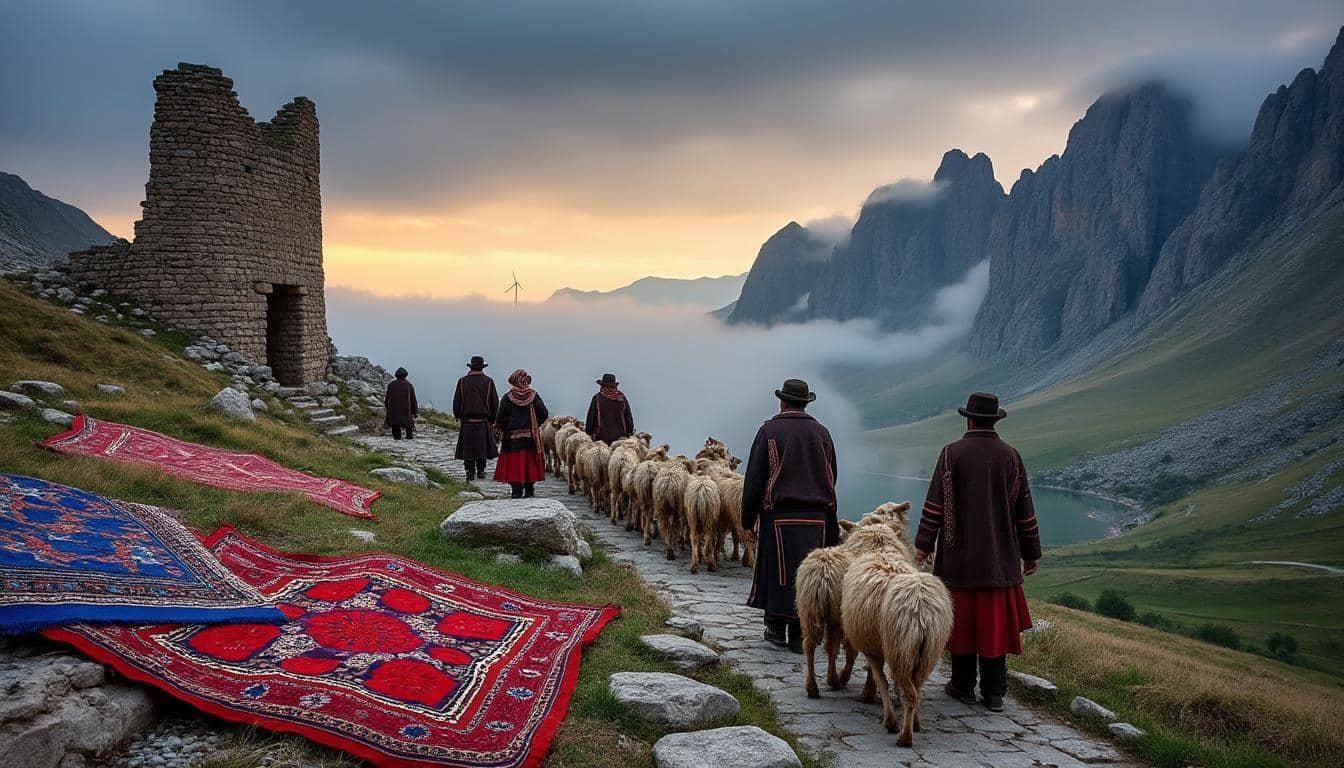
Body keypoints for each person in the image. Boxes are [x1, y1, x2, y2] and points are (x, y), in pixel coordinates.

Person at [914, 392, 1041, 713]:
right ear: (994, 420)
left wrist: (923, 545)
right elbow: (1024, 511)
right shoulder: (1011, 457)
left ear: (968, 419)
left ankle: (963, 685)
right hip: (1001, 560)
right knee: (993, 625)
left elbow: (934, 507)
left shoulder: (950, 455)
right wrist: (1032, 552)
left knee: (961, 623)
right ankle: (995, 692)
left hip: (959, 559)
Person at [742, 378, 838, 654]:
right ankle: (801, 632)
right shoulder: (822, 433)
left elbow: (755, 479)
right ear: (805, 403)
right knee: (809, 576)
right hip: (818, 518)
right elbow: (832, 475)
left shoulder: (769, 432)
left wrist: (747, 520)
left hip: (779, 516)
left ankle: (775, 627)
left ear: (782, 401)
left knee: (778, 573)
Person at [493, 369, 549, 499]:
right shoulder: (533, 396)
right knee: (529, 462)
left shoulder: (508, 398)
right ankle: (529, 489)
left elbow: (500, 419)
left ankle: (516, 490)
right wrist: (535, 425)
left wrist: (504, 428)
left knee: (514, 463)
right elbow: (544, 413)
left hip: (512, 439)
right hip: (530, 437)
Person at [452, 356, 500, 480]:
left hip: (466, 421)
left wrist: (457, 414)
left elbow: (457, 400)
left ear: (471, 367)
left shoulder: (462, 381)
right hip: (483, 421)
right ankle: (481, 470)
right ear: (482, 367)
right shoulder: (489, 382)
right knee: (482, 447)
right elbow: (494, 402)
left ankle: (469, 471)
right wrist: (494, 420)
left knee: (468, 447)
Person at [585, 373, 634, 443]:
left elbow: (590, 420)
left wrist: (589, 432)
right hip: (620, 440)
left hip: (600, 440)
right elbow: (629, 421)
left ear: (602, 386)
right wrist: (629, 432)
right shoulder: (622, 399)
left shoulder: (597, 398)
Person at [383, 367, 418, 440]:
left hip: (393, 410)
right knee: (408, 424)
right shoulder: (408, 385)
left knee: (395, 424)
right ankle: (409, 436)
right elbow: (413, 399)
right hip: (406, 410)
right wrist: (414, 412)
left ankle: (397, 437)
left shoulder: (391, 385)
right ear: (405, 375)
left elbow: (387, 398)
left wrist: (387, 406)